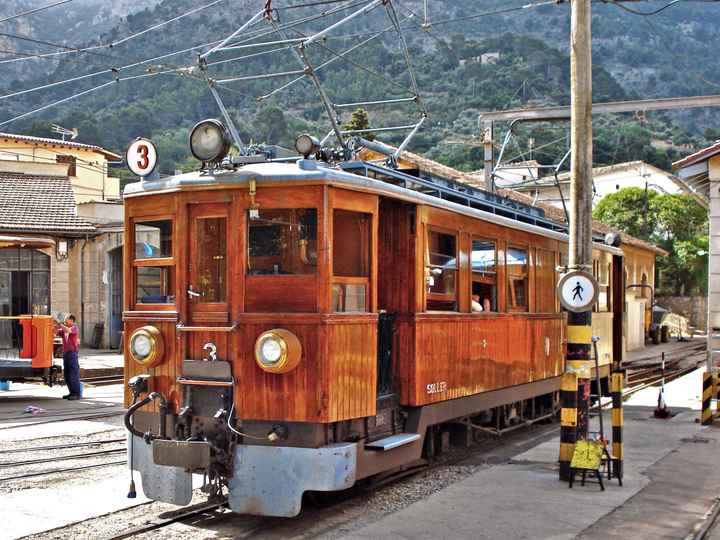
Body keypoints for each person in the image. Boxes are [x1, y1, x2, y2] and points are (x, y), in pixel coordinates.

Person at [57, 314, 81, 400]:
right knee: (67, 375)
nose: (65, 321)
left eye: (66, 319)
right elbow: (57, 331)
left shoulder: (74, 328)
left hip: (72, 354)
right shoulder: (64, 330)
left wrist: (60, 324)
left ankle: (76, 394)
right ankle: (71, 392)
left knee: (73, 374)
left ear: (71, 320)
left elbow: (67, 330)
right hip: (66, 354)